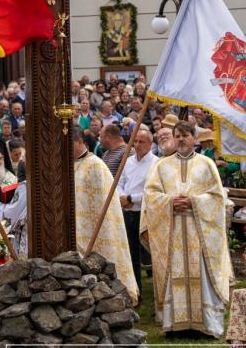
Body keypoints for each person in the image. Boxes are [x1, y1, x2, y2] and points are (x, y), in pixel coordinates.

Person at [142, 121, 231, 336]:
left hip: (198, 230)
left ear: (194, 138)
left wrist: (194, 202)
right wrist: (170, 202)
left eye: (185, 135)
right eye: (177, 135)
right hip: (172, 230)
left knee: (201, 272)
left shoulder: (206, 164)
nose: (181, 139)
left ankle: (205, 325)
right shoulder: (161, 166)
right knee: (174, 272)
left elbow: (217, 197)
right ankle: (175, 325)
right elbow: (151, 195)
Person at [72, 126, 139, 304]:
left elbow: (107, 206)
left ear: (80, 142)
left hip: (97, 231)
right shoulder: (66, 166)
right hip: (74, 229)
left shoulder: (95, 165)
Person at [117, 127, 158, 289]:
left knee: (152, 253)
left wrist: (130, 198)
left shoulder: (156, 163)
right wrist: (122, 197)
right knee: (131, 253)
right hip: (128, 212)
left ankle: (158, 289)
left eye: (141, 141)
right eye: (135, 141)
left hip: (145, 213)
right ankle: (136, 289)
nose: (137, 144)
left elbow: (152, 191)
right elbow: (119, 183)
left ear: (150, 144)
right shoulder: (128, 161)